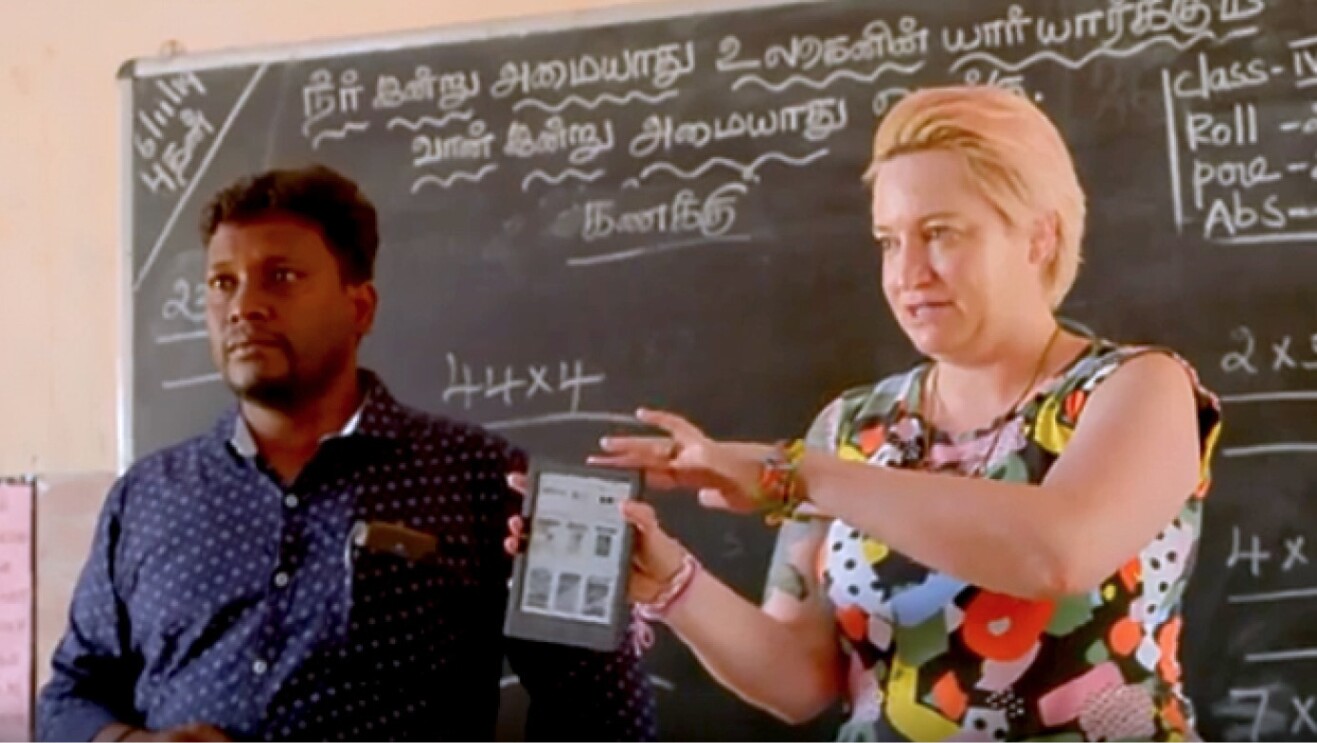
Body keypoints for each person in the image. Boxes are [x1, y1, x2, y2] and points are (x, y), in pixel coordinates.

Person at [538, 85, 1222, 741]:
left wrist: (797, 476)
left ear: (1039, 238)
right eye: (889, 241)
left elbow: (1057, 553)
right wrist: (671, 582)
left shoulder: (1137, 387)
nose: (907, 272)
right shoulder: (852, 426)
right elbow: (801, 678)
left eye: (940, 234)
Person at [38, 165, 656, 742]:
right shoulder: (147, 495)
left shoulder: (490, 480)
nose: (244, 305)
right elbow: (70, 695)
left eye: (280, 276)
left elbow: (604, 712)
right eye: (223, 282)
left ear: (359, 307)